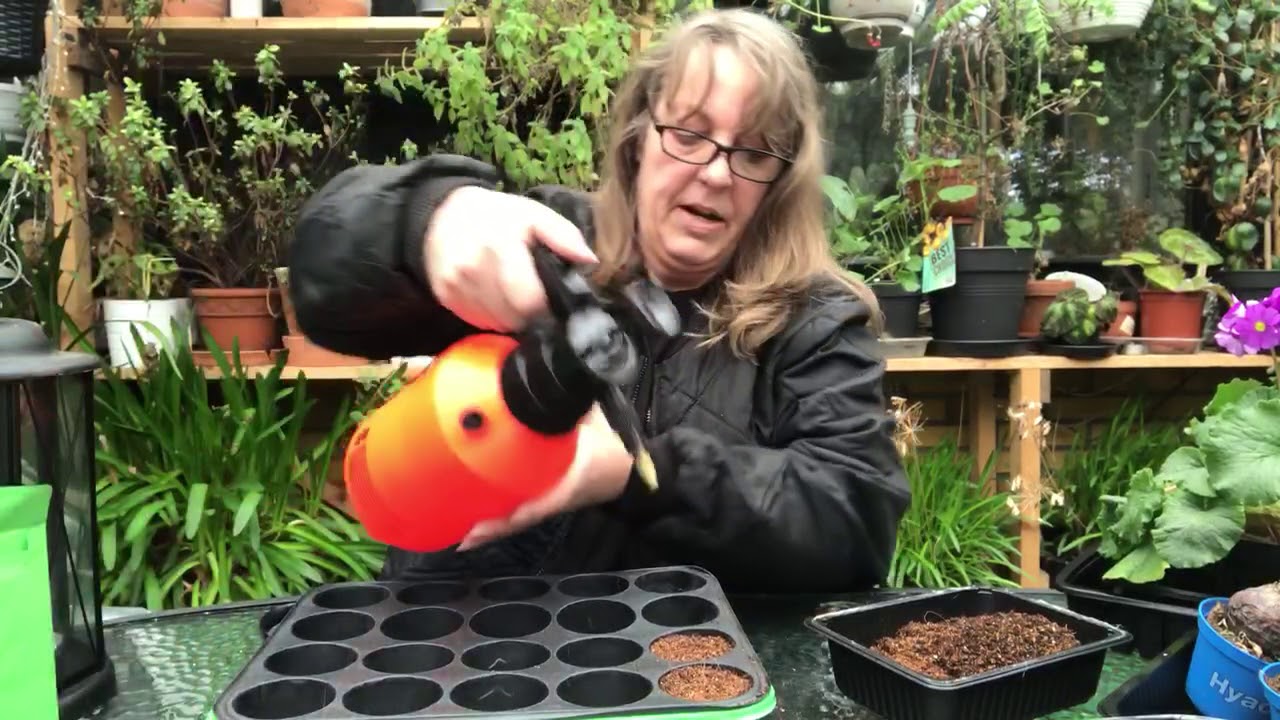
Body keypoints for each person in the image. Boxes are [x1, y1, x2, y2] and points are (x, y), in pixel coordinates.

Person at [288, 7, 910, 593]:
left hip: (694, 672)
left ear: (779, 180)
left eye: (753, 152)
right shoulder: (539, 241)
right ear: (639, 137)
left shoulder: (813, 319)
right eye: (689, 134)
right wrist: (426, 221)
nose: (717, 173)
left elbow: (854, 522)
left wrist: (635, 472)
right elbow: (323, 288)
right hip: (466, 643)